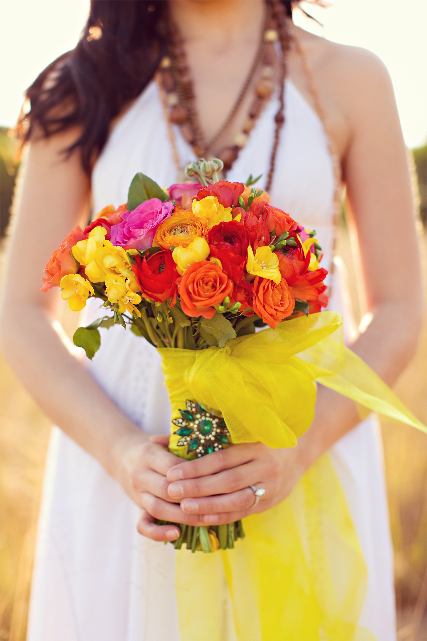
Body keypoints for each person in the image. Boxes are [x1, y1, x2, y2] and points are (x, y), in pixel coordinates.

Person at [0, 0, 423, 639]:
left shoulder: (352, 78)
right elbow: (19, 312)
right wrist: (122, 454)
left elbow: (399, 307)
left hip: (306, 457)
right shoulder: (82, 84)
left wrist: (298, 450)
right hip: (127, 480)